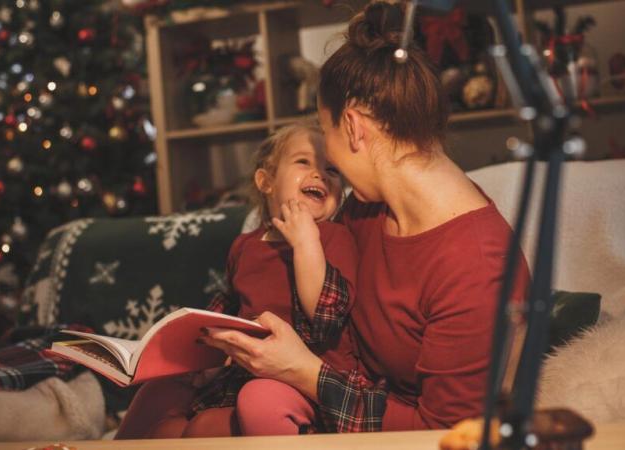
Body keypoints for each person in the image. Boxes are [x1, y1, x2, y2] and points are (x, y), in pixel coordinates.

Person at [200, 0, 531, 434]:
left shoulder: (476, 265)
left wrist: (303, 373)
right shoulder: (366, 211)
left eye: (327, 134)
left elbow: (444, 433)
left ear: (354, 127)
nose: (326, 159)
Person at [116, 123, 359, 439]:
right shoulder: (246, 245)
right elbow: (226, 309)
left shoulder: (334, 236)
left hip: (302, 380)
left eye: (332, 170)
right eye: (304, 162)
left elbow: (327, 317)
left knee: (214, 423)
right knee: (159, 395)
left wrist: (305, 242)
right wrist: (198, 356)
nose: (319, 174)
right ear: (266, 181)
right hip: (242, 372)